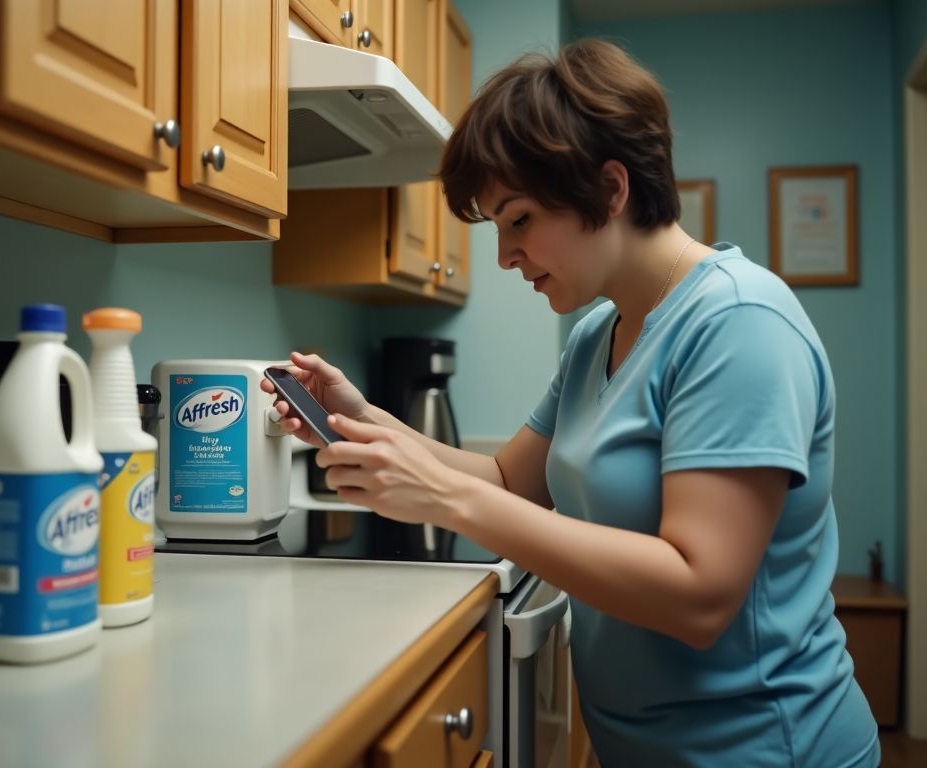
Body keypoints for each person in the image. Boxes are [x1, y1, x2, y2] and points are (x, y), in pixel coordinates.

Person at [261, 39, 879, 768]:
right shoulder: (597, 333)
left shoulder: (740, 324)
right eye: (496, 227)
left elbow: (699, 594)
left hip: (769, 750)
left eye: (519, 220)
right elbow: (505, 481)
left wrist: (446, 503)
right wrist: (359, 419)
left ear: (611, 190)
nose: (504, 255)